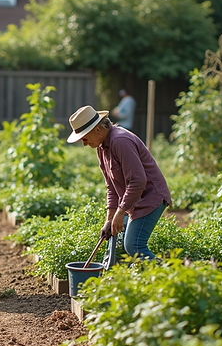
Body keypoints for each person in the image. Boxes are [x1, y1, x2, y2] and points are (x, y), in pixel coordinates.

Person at [66, 105, 172, 263]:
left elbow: (138, 181)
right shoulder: (102, 148)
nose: (84, 144)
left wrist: (121, 212)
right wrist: (109, 219)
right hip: (134, 199)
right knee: (122, 241)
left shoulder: (120, 141)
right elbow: (111, 186)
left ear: (96, 129)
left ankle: (170, 278)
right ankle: (141, 279)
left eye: (84, 138)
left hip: (151, 197)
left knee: (134, 245)